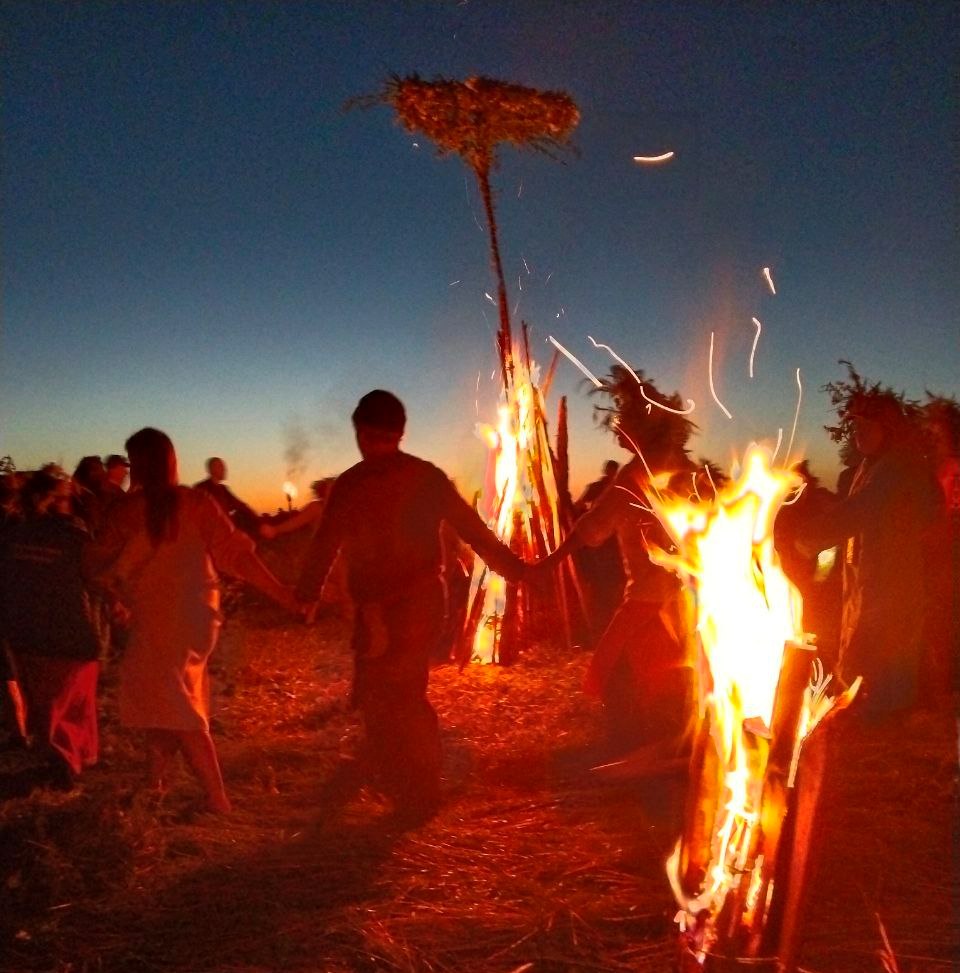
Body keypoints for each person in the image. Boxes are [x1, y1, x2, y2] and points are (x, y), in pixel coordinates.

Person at [295, 390, 527, 822]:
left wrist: (513, 567)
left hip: (412, 604)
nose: (375, 444)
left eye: (379, 436)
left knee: (399, 692)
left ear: (385, 434)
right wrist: (308, 592)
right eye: (372, 436)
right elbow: (326, 542)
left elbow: (471, 528)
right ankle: (397, 773)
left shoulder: (397, 480)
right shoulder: (376, 482)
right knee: (384, 690)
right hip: (393, 606)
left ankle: (417, 789)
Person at [86, 428, 296, 813]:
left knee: (174, 707)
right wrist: (282, 592)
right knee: (167, 698)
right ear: (171, 461)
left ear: (139, 465)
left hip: (161, 620)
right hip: (200, 618)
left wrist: (112, 586)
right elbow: (236, 555)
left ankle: (218, 799)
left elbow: (96, 563)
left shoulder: (130, 511)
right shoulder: (195, 502)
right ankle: (156, 783)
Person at [533, 367, 696, 762]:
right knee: (668, 672)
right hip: (687, 592)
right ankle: (664, 740)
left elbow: (593, 529)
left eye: (622, 424)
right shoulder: (679, 465)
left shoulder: (635, 475)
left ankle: (641, 747)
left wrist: (545, 563)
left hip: (650, 597)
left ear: (640, 428)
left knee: (615, 669)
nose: (615, 430)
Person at [800, 392, 940, 717]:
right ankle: (862, 707)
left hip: (892, 577)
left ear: (888, 428)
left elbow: (860, 512)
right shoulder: (870, 465)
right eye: (855, 426)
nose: (858, 433)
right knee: (862, 640)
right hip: (868, 576)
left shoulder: (899, 468)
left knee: (887, 648)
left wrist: (803, 540)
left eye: (867, 426)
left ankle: (886, 717)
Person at [0, 469, 102, 788]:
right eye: (69, 497)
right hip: (68, 632)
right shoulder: (73, 534)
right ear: (60, 500)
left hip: (26, 633)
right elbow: (95, 574)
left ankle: (63, 760)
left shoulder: (14, 533)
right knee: (70, 704)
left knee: (49, 705)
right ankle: (64, 766)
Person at [194, 457, 260, 536]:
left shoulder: (223, 489)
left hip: (225, 531)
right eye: (221, 467)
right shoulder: (200, 489)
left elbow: (240, 505)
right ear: (212, 469)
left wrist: (259, 522)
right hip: (210, 534)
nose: (225, 470)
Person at [259, 478, 334, 540]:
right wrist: (275, 529)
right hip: (324, 548)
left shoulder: (339, 506)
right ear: (324, 491)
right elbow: (295, 522)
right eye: (331, 488)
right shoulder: (316, 507)